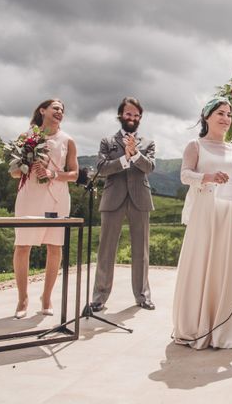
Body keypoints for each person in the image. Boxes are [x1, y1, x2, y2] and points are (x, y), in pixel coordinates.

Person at [172, 97, 232, 349]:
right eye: (220, 113)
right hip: (205, 210)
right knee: (202, 261)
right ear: (206, 116)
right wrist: (207, 177)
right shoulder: (195, 145)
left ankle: (226, 324)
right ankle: (197, 323)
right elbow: (185, 175)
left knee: (226, 263)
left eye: (229, 114)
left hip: (228, 211)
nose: (226, 118)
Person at [12, 99, 79, 318]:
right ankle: (22, 299)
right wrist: (27, 163)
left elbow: (74, 174)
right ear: (43, 110)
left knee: (54, 246)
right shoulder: (26, 138)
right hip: (29, 195)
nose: (60, 112)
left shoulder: (67, 140)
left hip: (56, 198)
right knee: (22, 246)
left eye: (62, 109)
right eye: (55, 108)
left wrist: (52, 174)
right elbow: (13, 173)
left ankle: (47, 297)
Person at [90, 97, 155, 312]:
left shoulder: (148, 142)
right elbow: (101, 168)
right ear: (121, 115)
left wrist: (135, 154)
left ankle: (143, 296)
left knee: (141, 251)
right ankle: (99, 298)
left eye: (136, 115)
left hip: (140, 200)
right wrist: (124, 160)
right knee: (106, 251)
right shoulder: (107, 141)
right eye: (129, 114)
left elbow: (149, 168)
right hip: (112, 199)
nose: (132, 118)